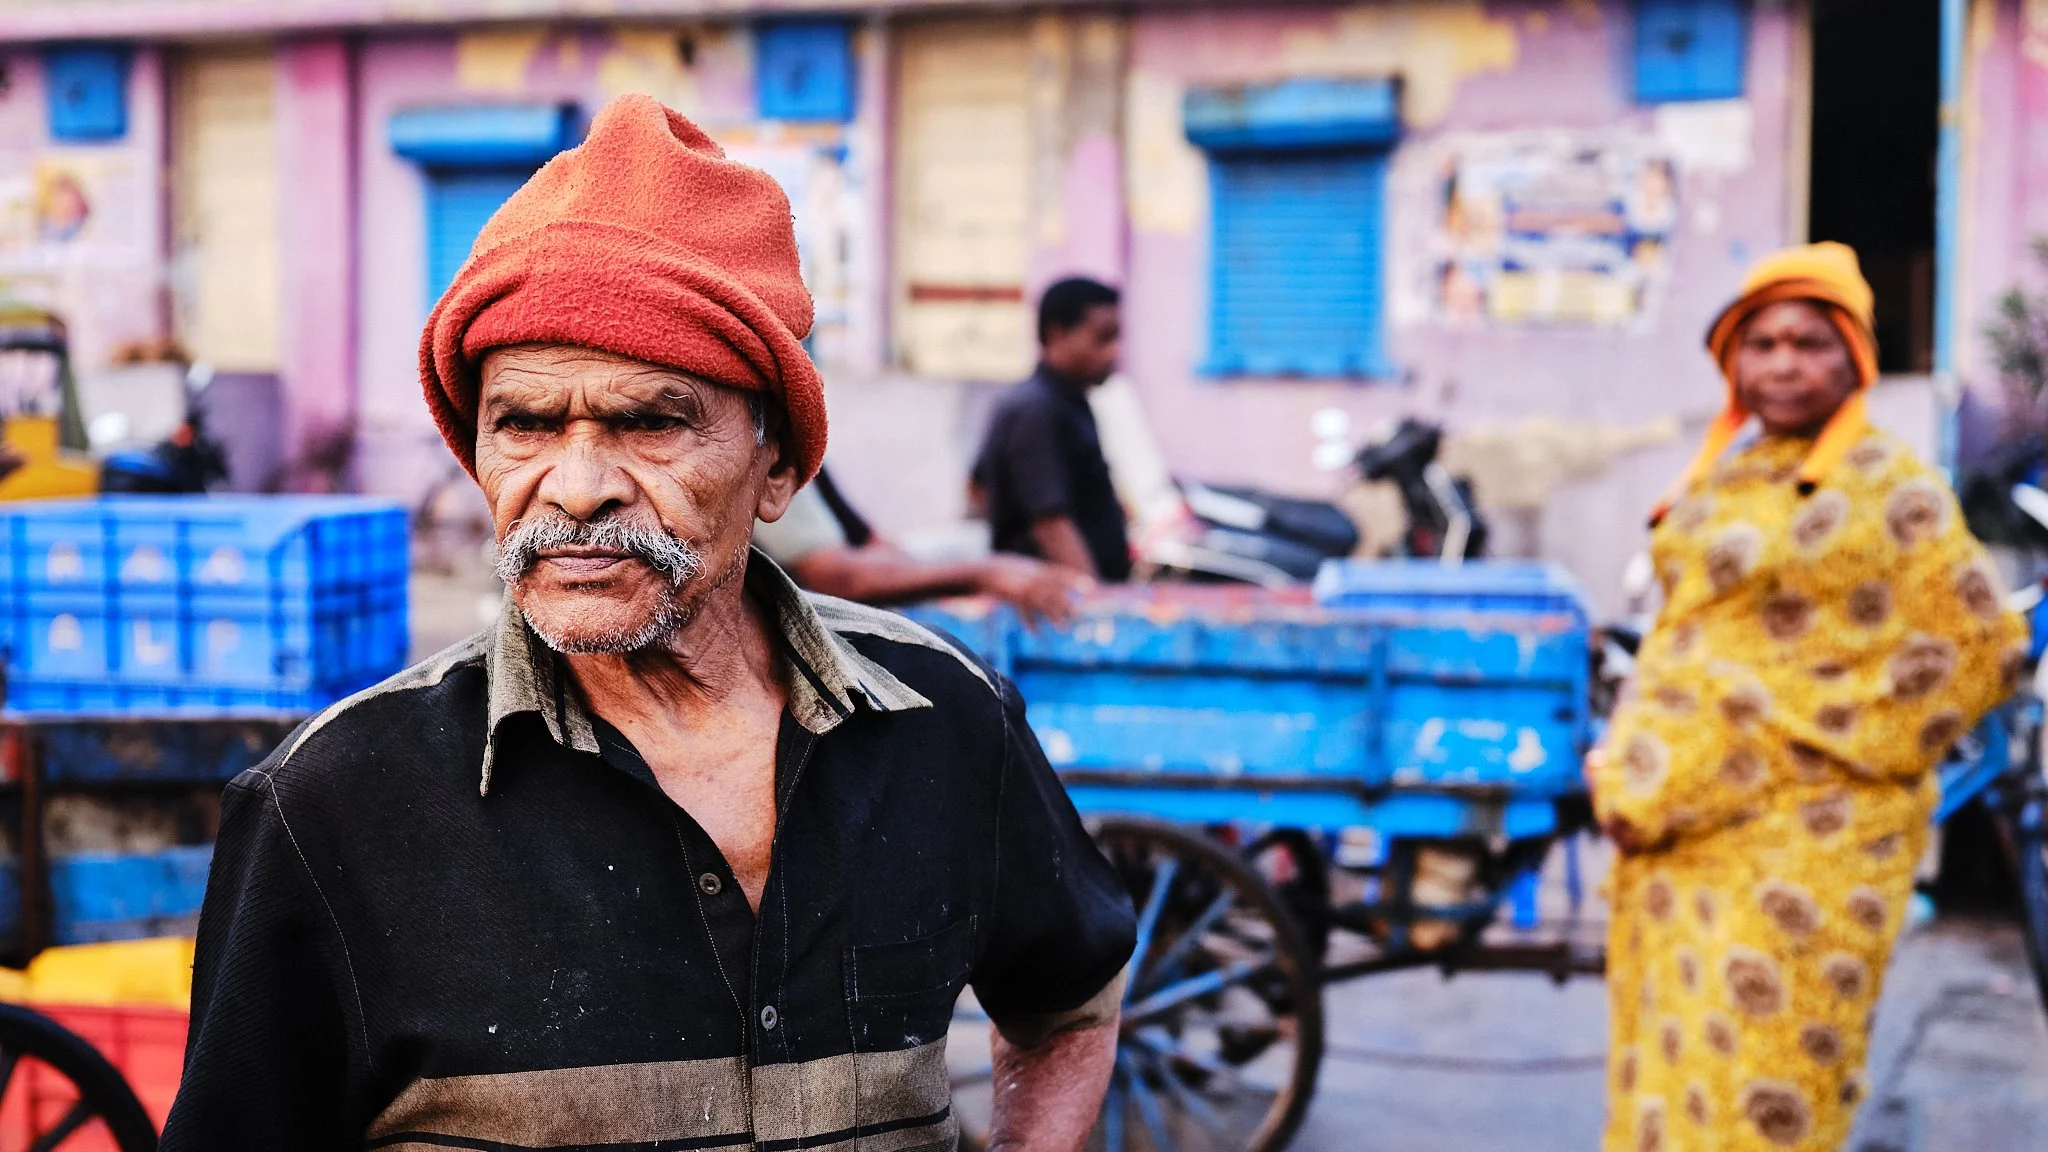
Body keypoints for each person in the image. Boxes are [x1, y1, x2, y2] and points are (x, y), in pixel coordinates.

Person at [162, 95, 1134, 1151]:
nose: (574, 487)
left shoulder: (945, 720)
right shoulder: (332, 806)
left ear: (779, 468)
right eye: (525, 424)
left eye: (651, 421)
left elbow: (1069, 1002)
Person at [1589, 242, 2028, 1152]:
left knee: (1767, 1096)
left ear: (1854, 359)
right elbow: (1694, 637)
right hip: (1675, 848)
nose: (1783, 363)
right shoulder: (1729, 472)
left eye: (1811, 341)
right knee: (1673, 1082)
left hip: (1805, 851)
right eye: (1762, 343)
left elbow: (1982, 646)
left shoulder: (1891, 487)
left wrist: (1801, 745)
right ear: (1732, 361)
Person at [755, 462, 1088, 624]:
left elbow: (874, 547)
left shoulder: (805, 450)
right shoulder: (765, 446)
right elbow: (835, 573)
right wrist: (983, 574)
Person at [972, 277, 1132, 581]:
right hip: (1055, 609)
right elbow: (1050, 524)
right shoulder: (1037, 410)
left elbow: (977, 485)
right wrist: (1095, 605)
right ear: (1057, 334)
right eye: (1103, 338)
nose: (1113, 352)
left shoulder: (1068, 401)